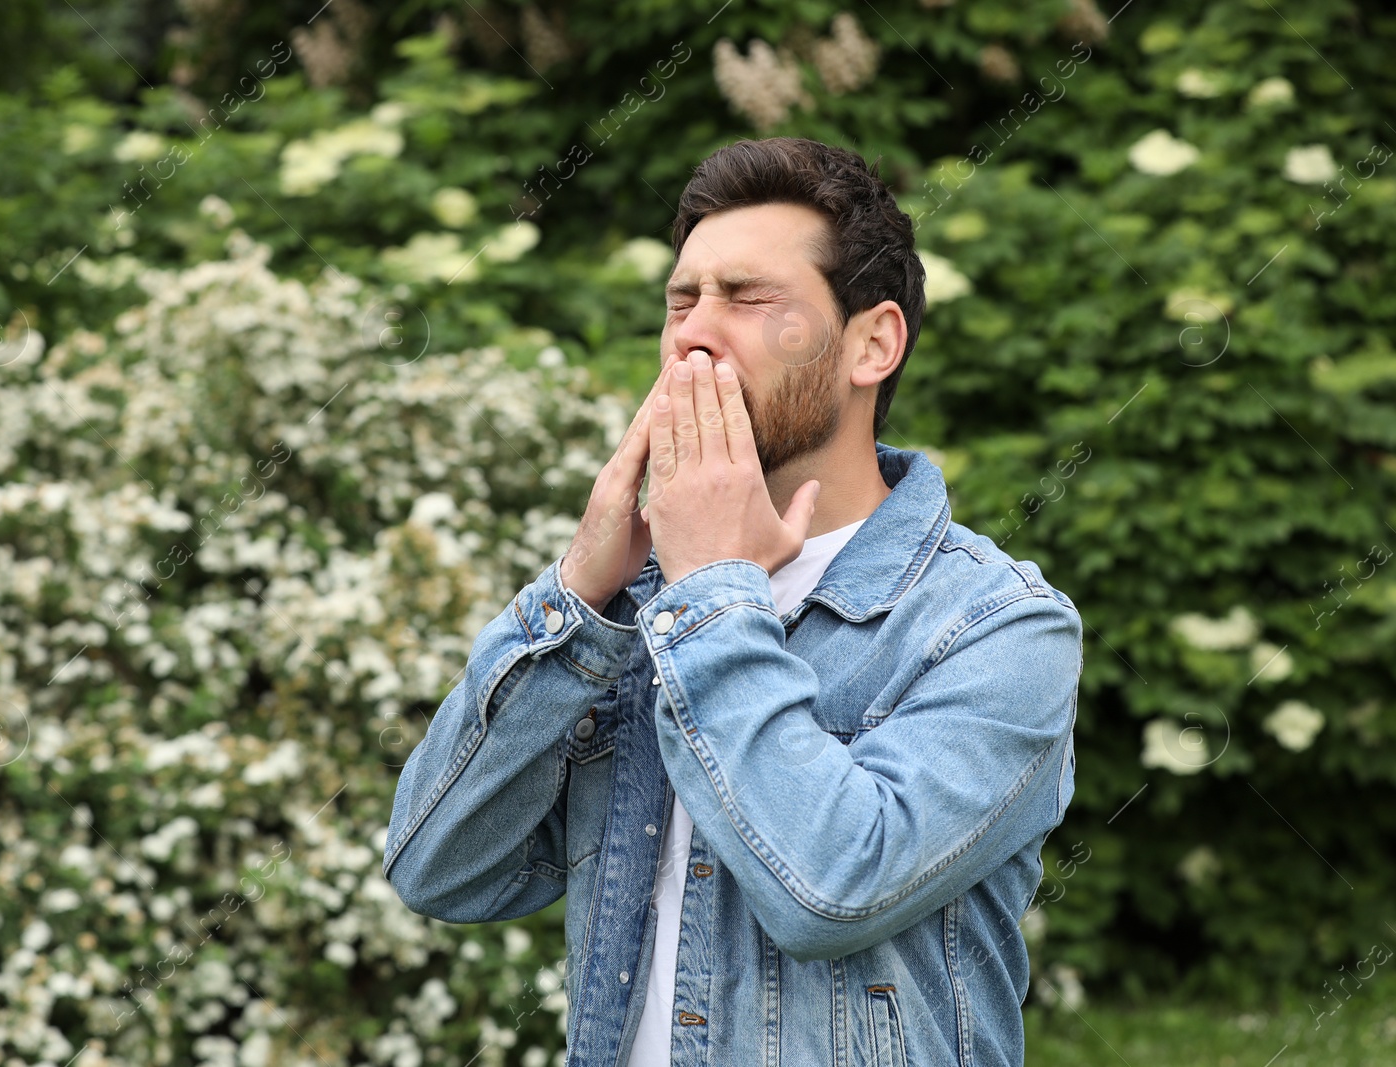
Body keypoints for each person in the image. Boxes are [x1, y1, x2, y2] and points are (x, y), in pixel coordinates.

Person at [383, 136, 1082, 1066]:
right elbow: (441, 866)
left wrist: (714, 592)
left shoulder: (996, 625)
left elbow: (830, 888)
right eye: (683, 299)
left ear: (872, 342)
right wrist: (577, 600)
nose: (693, 333)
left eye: (749, 299)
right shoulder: (630, 608)